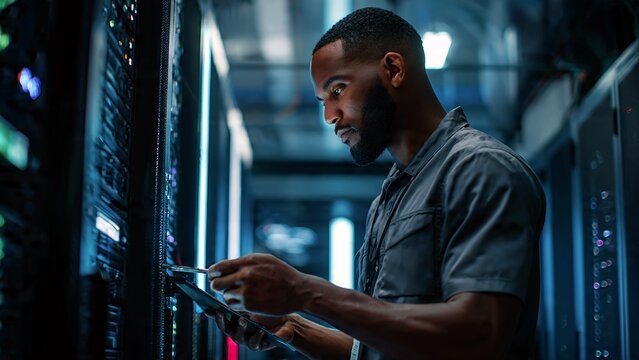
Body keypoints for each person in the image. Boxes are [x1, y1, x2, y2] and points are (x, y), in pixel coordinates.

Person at [207, 7, 546, 360]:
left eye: (337, 90)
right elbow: (381, 351)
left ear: (393, 70)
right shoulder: (391, 196)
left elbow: (481, 334)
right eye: (323, 101)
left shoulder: (481, 168)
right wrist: (294, 328)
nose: (330, 117)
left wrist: (306, 291)